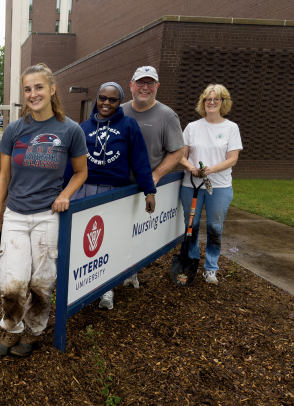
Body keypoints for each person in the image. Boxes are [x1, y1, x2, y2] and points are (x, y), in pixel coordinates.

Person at [0, 63, 88, 359]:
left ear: (52, 89)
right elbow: (3, 177)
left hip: (47, 216)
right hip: (16, 215)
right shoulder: (15, 130)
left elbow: (81, 172)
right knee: (12, 280)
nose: (33, 94)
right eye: (28, 89)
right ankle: (11, 328)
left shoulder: (70, 129)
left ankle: (33, 331)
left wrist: (65, 195)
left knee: (41, 281)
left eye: (39, 87)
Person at [62, 82, 156, 310]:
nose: (106, 103)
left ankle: (106, 289)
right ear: (97, 98)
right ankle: (79, 288)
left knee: (109, 242)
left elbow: (140, 160)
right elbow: (71, 164)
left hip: (113, 194)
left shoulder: (128, 125)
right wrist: (62, 191)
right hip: (84, 190)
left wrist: (149, 190)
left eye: (112, 100)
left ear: (119, 102)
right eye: (102, 98)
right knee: (82, 242)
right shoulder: (83, 127)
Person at [122, 66, 185, 289]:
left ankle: (131, 272)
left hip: (143, 188)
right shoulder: (118, 112)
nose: (145, 88)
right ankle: (108, 283)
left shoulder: (167, 116)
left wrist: (156, 175)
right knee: (115, 233)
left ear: (157, 87)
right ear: (131, 85)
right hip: (116, 187)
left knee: (137, 233)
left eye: (150, 83)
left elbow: (177, 150)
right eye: (140, 82)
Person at [179, 84, 242, 285]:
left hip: (220, 186)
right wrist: (191, 168)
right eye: (208, 99)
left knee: (215, 227)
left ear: (223, 102)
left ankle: (211, 268)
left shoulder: (231, 128)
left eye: (216, 99)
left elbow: (232, 159)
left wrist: (211, 169)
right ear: (203, 102)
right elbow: (180, 155)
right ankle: (192, 263)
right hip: (192, 186)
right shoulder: (192, 127)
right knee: (192, 226)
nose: (211, 103)